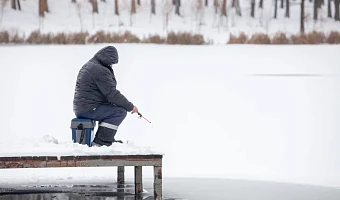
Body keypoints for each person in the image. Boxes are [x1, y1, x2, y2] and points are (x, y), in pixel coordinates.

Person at [73, 46, 138, 147]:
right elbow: (112, 94)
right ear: (106, 59)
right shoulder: (99, 70)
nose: (111, 65)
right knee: (119, 112)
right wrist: (130, 106)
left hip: (83, 107)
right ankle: (101, 142)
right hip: (88, 109)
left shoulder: (92, 65)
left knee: (112, 109)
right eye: (111, 63)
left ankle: (106, 139)